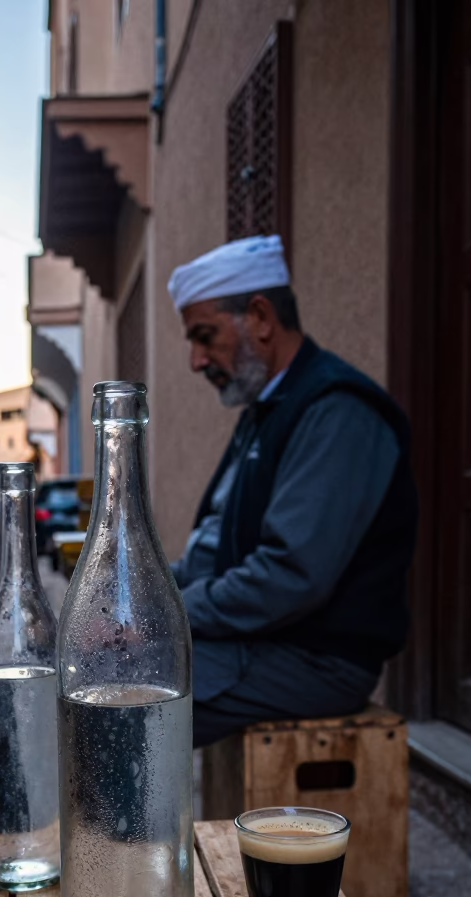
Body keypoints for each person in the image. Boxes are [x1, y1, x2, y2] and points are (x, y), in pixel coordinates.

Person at [165, 235, 417, 748]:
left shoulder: (337, 411)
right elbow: (212, 553)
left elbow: (290, 576)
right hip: (260, 642)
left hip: (315, 661)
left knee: (115, 706)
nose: (195, 360)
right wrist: (132, 598)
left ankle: (112, 830)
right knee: (83, 673)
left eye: (205, 336)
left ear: (259, 317)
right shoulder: (266, 412)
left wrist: (164, 617)